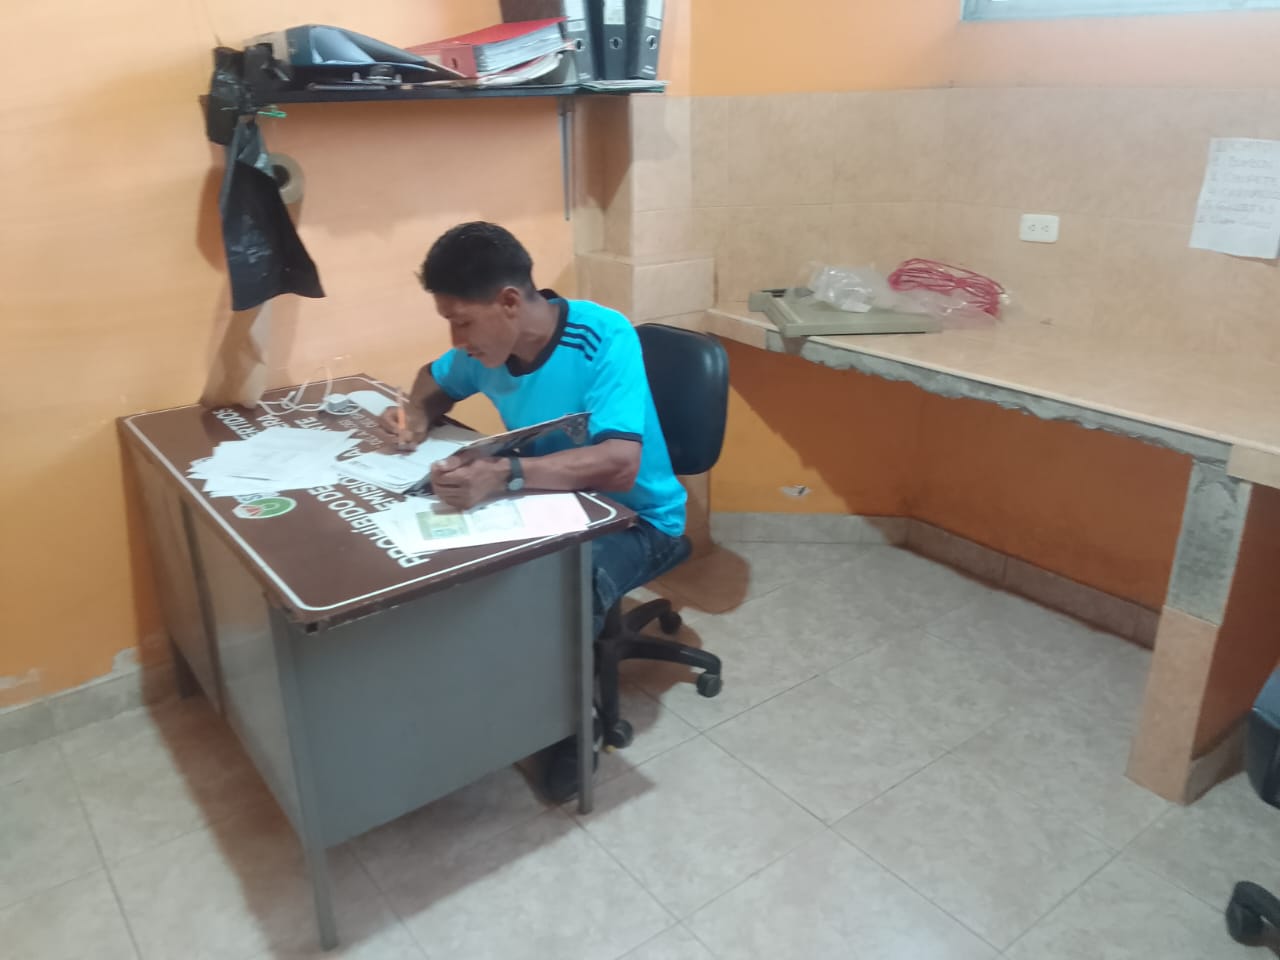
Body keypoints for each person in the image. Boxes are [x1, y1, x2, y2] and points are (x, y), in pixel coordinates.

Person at [382, 220, 688, 641]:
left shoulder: (603, 335)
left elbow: (620, 465)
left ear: (509, 301)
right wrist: (416, 411)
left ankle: (568, 684)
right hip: (548, 500)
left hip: (637, 520)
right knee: (468, 573)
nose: (456, 340)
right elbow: (432, 379)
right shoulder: (481, 352)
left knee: (558, 595)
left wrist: (503, 474)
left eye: (463, 322)